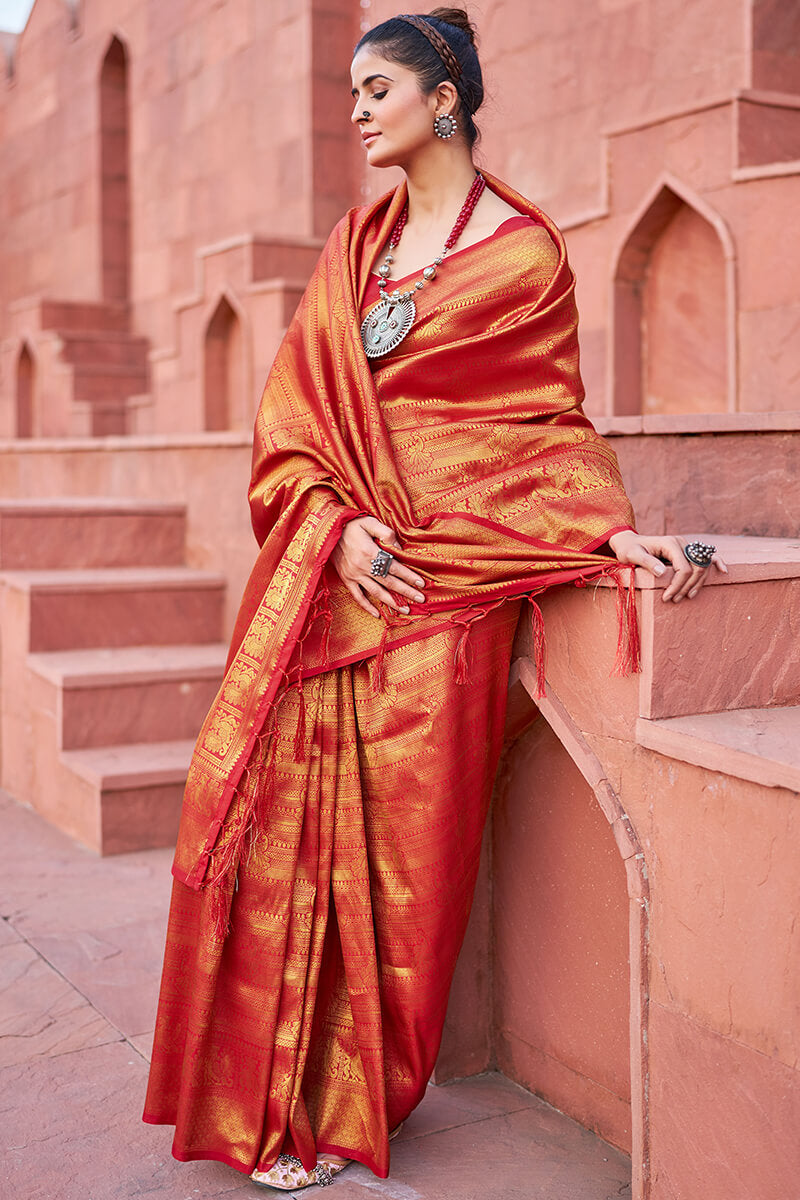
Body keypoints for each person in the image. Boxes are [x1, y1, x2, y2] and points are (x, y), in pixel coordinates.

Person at [143, 8, 726, 1191]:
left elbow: (542, 427)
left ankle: (353, 1099)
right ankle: (263, 1101)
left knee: (402, 864)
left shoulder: (521, 253)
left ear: (443, 98)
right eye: (350, 92)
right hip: (339, 573)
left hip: (449, 597)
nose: (354, 112)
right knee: (259, 821)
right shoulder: (355, 245)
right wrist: (340, 526)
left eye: (375, 90)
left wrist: (603, 528)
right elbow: (294, 424)